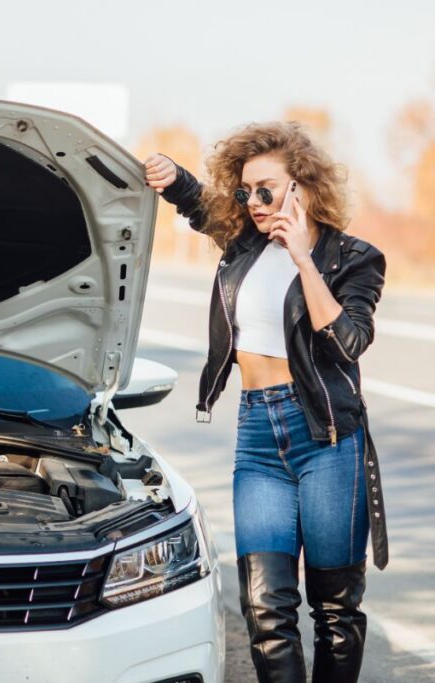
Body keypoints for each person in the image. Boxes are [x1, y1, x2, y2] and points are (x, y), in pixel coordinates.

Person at [144, 121, 387, 683]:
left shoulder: (354, 257)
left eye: (266, 190)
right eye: (245, 190)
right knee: (265, 610)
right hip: (257, 435)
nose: (253, 203)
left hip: (326, 437)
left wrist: (303, 258)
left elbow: (349, 340)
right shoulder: (243, 242)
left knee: (334, 610)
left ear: (301, 186)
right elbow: (196, 203)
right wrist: (172, 174)